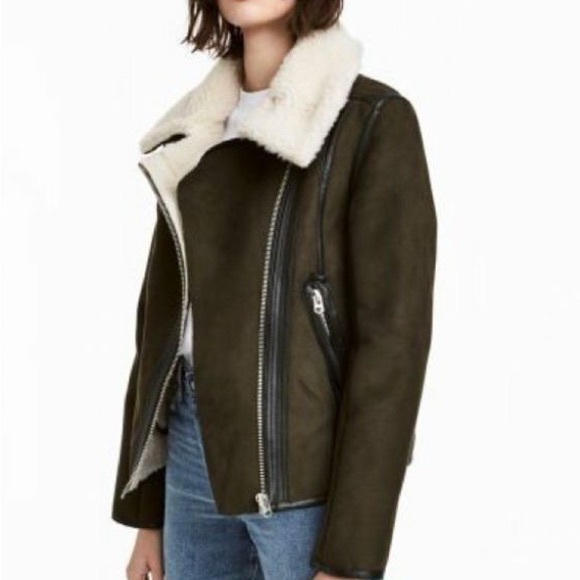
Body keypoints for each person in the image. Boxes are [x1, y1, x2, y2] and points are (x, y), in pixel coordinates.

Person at [111, 1, 438, 579]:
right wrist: (147, 514)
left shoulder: (371, 121)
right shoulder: (195, 129)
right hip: (189, 453)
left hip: (303, 472)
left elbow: (392, 350)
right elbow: (160, 322)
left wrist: (351, 557)